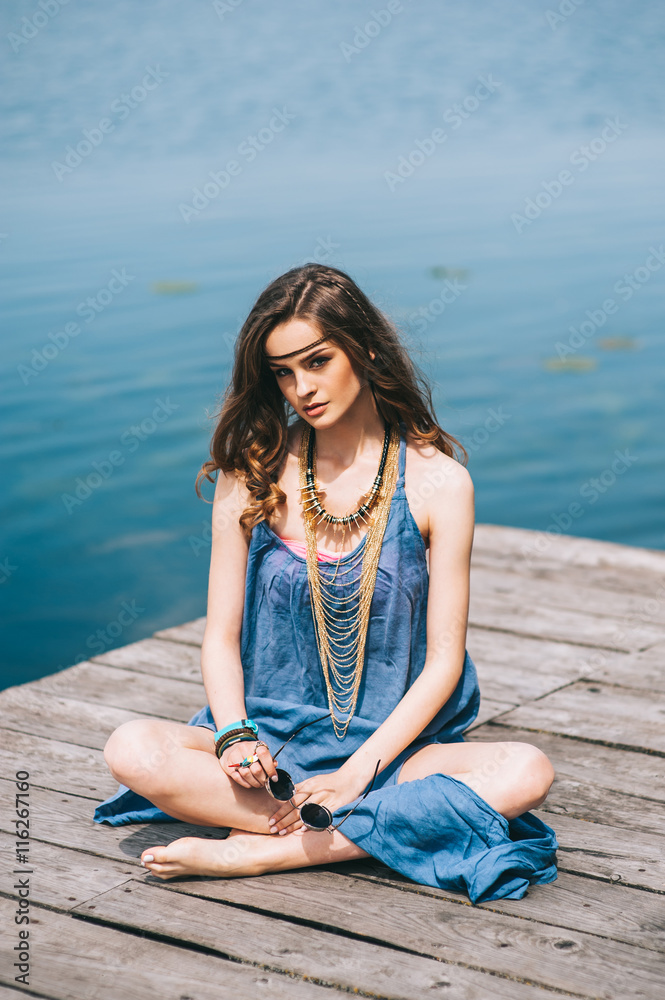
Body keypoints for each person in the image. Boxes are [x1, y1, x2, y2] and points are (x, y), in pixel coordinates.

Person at [94, 262, 558, 903]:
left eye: (316, 361)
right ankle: (361, 835)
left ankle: (270, 854)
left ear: (364, 348)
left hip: (393, 754)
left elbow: (443, 664)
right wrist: (233, 734)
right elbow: (220, 639)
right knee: (133, 749)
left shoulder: (438, 483)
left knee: (527, 770)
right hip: (271, 751)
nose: (300, 387)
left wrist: (355, 775)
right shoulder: (249, 475)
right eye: (283, 372)